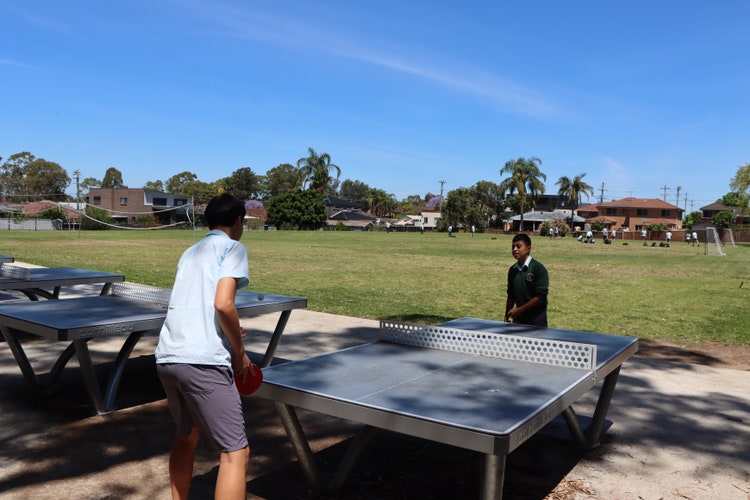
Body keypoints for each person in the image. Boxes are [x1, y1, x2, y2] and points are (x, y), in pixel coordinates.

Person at [155, 193, 255, 500]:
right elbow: (223, 304)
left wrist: (230, 332)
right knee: (235, 453)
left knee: (187, 436)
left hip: (168, 357)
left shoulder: (190, 251)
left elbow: (200, 304)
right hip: (202, 362)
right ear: (238, 221)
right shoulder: (233, 247)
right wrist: (240, 356)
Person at [504, 234, 549, 327]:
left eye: (518, 246)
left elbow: (541, 296)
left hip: (536, 318)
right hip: (518, 318)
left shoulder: (538, 268)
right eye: (513, 247)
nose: (515, 249)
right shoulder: (513, 270)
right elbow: (511, 295)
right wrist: (506, 315)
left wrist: (520, 309)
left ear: (528, 248)